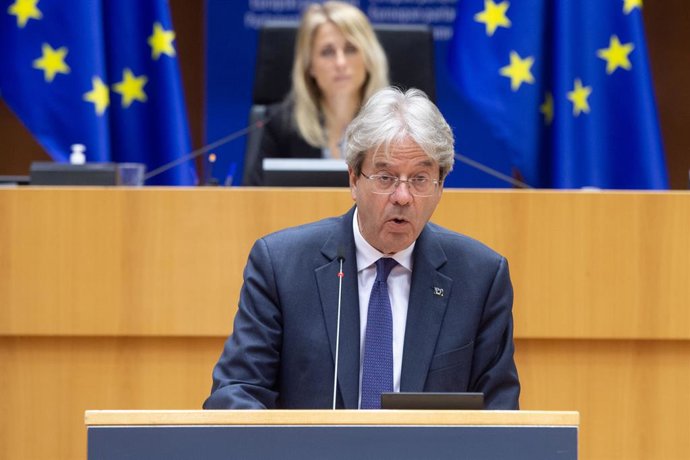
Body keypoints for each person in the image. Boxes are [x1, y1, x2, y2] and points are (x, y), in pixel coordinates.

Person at [205, 87, 520, 410]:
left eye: (420, 179)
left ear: (441, 186)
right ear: (354, 179)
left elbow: (500, 413)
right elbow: (236, 392)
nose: (402, 197)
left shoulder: (480, 278)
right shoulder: (281, 266)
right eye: (385, 177)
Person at [243, 1, 389, 185]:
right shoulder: (280, 127)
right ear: (310, 65)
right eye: (327, 52)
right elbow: (254, 199)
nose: (341, 63)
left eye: (350, 49)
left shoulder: (393, 127)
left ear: (368, 58)